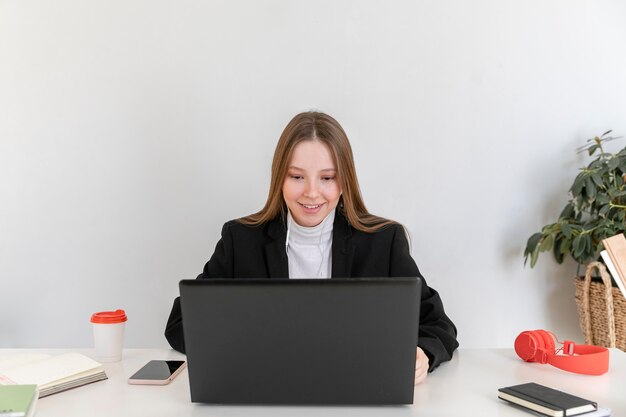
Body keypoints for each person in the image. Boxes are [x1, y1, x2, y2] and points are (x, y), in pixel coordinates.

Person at [165, 111, 458, 384]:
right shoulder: (240, 239)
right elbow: (181, 323)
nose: (312, 192)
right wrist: (238, 347)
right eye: (297, 176)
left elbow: (439, 325)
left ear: (345, 183)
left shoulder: (383, 241)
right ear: (279, 178)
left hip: (356, 392)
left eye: (327, 178)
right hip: (266, 391)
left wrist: (423, 353)